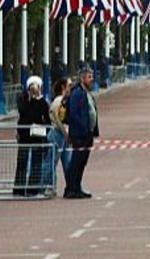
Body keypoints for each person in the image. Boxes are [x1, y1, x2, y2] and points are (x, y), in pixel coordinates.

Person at [64, 67, 99, 199]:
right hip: (79, 134)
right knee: (76, 162)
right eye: (89, 77)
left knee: (82, 162)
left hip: (87, 133)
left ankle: (77, 187)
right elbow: (73, 114)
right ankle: (71, 188)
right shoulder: (77, 93)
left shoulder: (86, 93)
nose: (92, 79)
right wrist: (83, 128)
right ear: (82, 78)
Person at [14, 76, 51, 197]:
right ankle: (19, 188)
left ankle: (32, 188)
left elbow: (45, 115)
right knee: (22, 162)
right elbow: (24, 112)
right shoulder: (23, 100)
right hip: (24, 134)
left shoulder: (42, 102)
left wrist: (38, 98)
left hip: (37, 134)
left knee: (36, 162)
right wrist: (31, 98)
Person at [48, 78, 72, 195]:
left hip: (63, 135)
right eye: (69, 85)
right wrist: (65, 133)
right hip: (58, 134)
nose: (71, 88)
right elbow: (58, 120)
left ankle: (72, 186)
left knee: (68, 162)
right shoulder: (59, 101)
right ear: (63, 87)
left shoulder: (64, 100)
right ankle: (49, 186)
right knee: (51, 161)